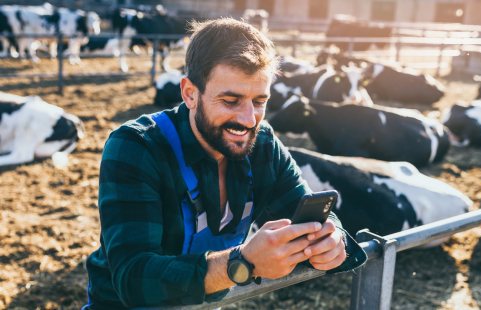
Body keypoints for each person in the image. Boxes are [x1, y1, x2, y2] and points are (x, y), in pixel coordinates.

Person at [83, 18, 367, 309]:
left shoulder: (264, 146)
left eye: (259, 101)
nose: (248, 119)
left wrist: (332, 241)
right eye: (231, 100)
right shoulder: (136, 147)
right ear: (190, 94)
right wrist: (241, 264)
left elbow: (308, 213)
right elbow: (134, 279)